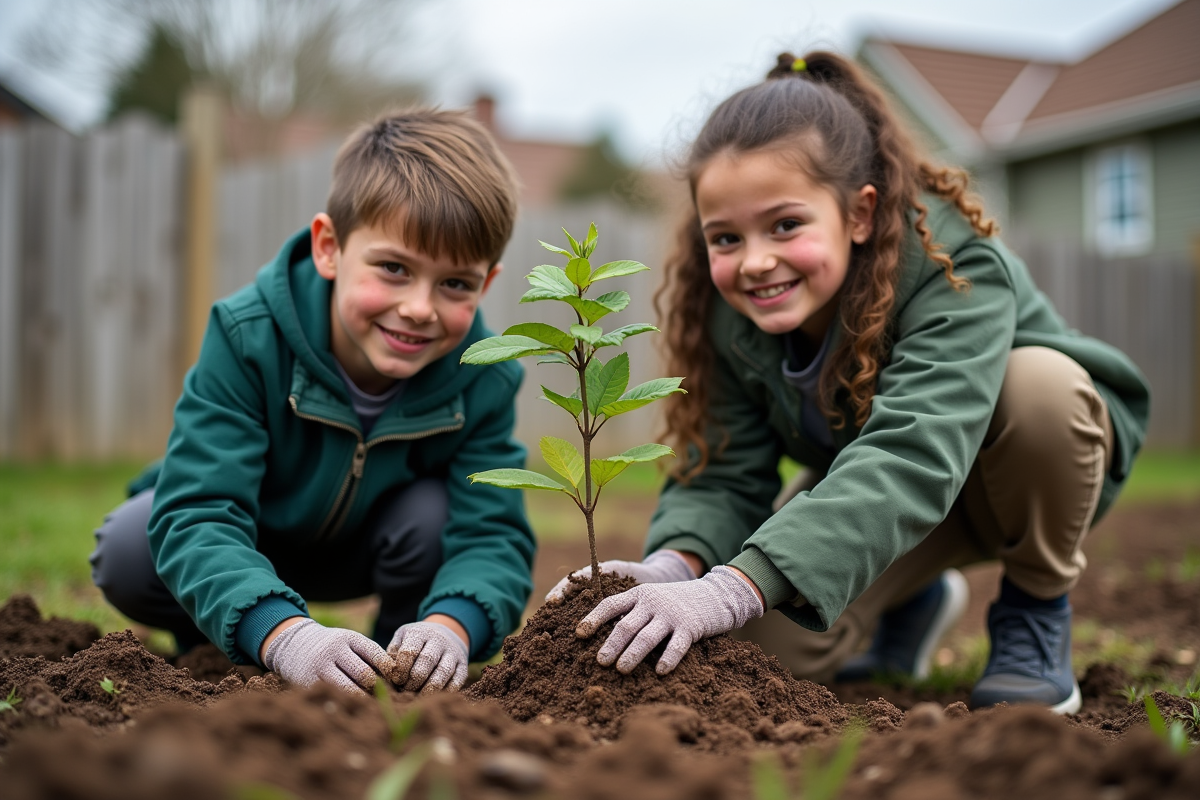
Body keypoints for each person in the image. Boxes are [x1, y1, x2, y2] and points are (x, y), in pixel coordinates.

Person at [549, 52, 1150, 714]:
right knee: (757, 653)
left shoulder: (952, 267)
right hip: (881, 494)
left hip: (1031, 467)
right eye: (725, 238)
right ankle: (913, 601)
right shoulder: (729, 314)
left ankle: (1036, 610)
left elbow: (914, 450)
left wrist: (734, 586)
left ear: (859, 214)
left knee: (1039, 385)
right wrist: (678, 564)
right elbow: (723, 472)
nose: (755, 262)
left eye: (785, 225)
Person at [90, 108, 535, 695]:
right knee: (130, 544)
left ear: (488, 283)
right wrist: (287, 634)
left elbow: (492, 536)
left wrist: (451, 627)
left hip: (374, 549)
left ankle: (394, 665)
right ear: (329, 248)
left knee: (436, 516)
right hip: (250, 537)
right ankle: (227, 647)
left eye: (456, 283)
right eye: (394, 268)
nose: (421, 307)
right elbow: (198, 509)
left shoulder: (485, 375)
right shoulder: (249, 335)